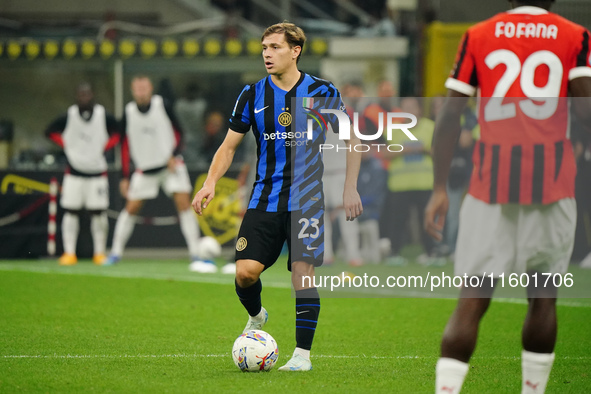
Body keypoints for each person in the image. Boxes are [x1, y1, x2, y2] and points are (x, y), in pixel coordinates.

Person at [424, 1, 591, 393]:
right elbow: (586, 111)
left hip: (489, 185)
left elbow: (450, 116)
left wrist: (438, 188)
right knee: (543, 296)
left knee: (473, 298)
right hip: (552, 183)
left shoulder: (478, 34)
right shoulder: (575, 35)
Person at [192, 22, 363, 371]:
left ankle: (302, 356)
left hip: (307, 200)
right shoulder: (252, 94)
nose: (267, 54)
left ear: (295, 50)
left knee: (302, 273)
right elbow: (228, 147)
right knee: (244, 274)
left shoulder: (321, 90)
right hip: (264, 199)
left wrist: (349, 186)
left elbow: (352, 138)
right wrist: (210, 181)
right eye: (264, 47)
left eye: (275, 47)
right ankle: (257, 315)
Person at [105, 76, 213, 272]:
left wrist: (173, 154)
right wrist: (124, 177)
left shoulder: (162, 105)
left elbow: (180, 133)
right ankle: (115, 253)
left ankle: (196, 253)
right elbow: (123, 147)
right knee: (130, 209)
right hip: (144, 170)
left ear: (150, 88)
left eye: (144, 87)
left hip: (170, 166)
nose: (141, 91)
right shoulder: (128, 113)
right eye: (137, 88)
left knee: (184, 205)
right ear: (132, 90)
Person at [45, 82, 120, 265]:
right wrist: (67, 146)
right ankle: (70, 253)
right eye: (81, 94)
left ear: (93, 95)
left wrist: (105, 147)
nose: (84, 97)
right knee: (71, 211)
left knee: (98, 213)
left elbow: (119, 133)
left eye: (87, 94)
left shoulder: (103, 115)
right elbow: (49, 132)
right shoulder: (68, 116)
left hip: (97, 173)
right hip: (74, 172)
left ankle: (99, 253)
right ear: (77, 96)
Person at [383, 97, 436, 266]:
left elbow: (440, 151)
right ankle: (395, 253)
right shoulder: (392, 129)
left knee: (427, 221)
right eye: (405, 108)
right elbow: (383, 153)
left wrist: (424, 150)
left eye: (412, 107)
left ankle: (430, 253)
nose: (409, 111)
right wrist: (405, 150)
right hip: (400, 185)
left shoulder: (431, 127)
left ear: (419, 109)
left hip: (425, 183)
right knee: (397, 222)